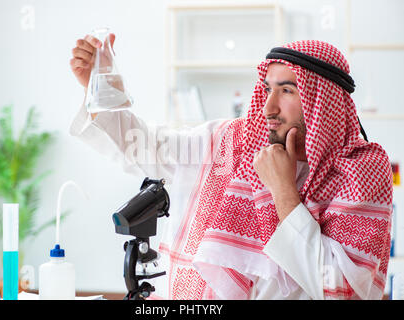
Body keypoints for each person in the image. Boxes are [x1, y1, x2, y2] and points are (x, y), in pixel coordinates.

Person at [69, 36, 393, 300]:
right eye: (267, 89)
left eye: (287, 90)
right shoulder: (233, 142)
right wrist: (102, 90)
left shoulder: (360, 172)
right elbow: (145, 147)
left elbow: (342, 291)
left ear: (322, 101)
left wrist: (282, 191)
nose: (269, 106)